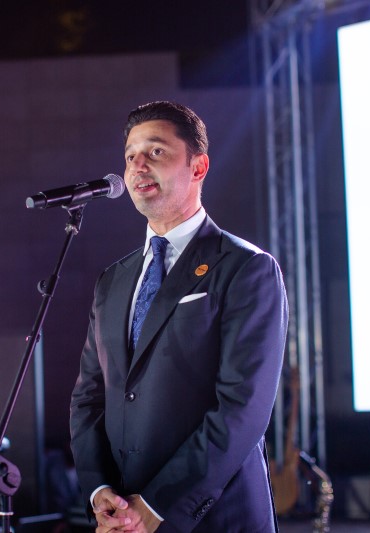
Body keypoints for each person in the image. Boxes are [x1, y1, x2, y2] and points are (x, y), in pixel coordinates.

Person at [69, 101, 289, 533]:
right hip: (124, 517)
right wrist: (100, 491)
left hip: (215, 518)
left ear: (198, 166)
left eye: (156, 152)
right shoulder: (113, 280)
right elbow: (88, 399)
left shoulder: (246, 268)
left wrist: (158, 505)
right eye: (130, 156)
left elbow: (242, 408)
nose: (138, 167)